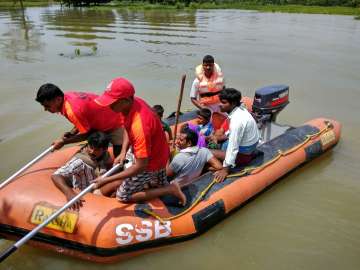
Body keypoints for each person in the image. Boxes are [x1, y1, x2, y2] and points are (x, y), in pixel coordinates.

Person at [92, 77, 186, 205]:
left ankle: (170, 189)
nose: (109, 105)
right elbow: (126, 126)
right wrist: (123, 151)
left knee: (122, 196)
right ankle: (160, 185)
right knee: (155, 181)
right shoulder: (132, 103)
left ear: (126, 100)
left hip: (150, 162)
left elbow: (141, 166)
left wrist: (105, 179)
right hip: (156, 150)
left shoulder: (139, 125)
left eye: (112, 102)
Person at [35, 83, 126, 157]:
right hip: (101, 121)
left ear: (58, 99)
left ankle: (121, 172)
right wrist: (72, 132)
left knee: (119, 152)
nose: (45, 109)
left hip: (115, 121)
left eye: (47, 106)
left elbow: (86, 135)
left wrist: (63, 142)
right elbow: (83, 117)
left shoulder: (72, 110)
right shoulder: (67, 96)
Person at [51, 132, 112, 211]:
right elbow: (56, 175)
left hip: (99, 185)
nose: (92, 151)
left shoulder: (105, 155)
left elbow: (109, 164)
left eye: (97, 149)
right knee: (116, 183)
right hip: (88, 192)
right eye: (91, 147)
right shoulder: (79, 161)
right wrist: (69, 193)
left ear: (104, 149)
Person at [213, 88, 260, 182]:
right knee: (218, 143)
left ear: (233, 103)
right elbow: (232, 134)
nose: (219, 105)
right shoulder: (241, 109)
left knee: (206, 152)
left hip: (243, 154)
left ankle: (220, 166)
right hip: (249, 148)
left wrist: (225, 170)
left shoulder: (236, 121)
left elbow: (233, 147)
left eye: (223, 102)